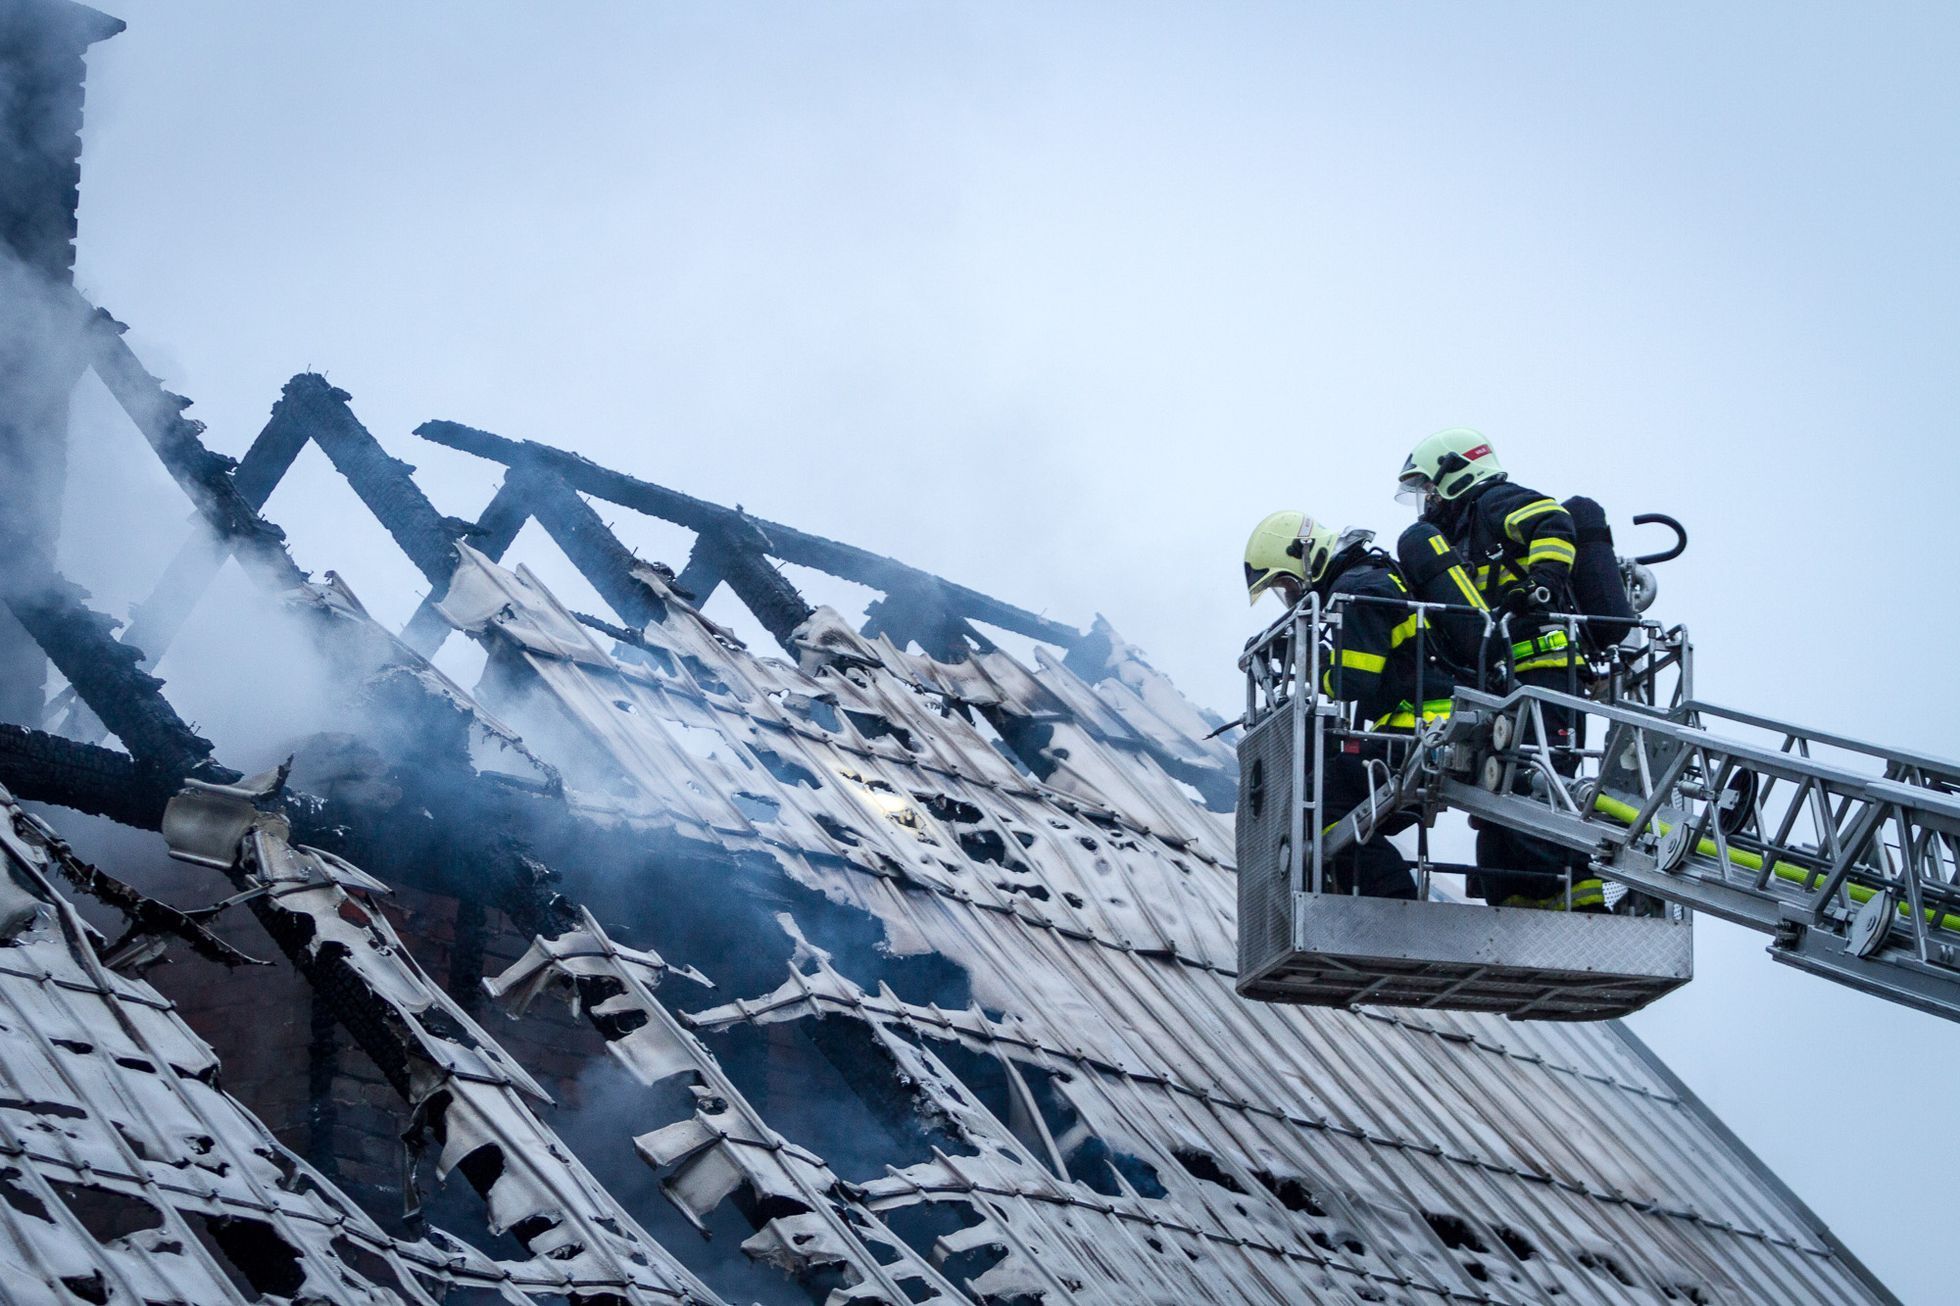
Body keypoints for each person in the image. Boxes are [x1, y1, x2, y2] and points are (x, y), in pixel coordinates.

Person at [1395, 428, 1604, 911]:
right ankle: (1519, 911)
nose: (1426, 500)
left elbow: (1551, 521)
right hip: (1508, 681)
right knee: (1499, 809)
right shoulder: (1461, 531)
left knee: (1539, 792)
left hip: (1546, 673)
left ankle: (1586, 909)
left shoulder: (1493, 501)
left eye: (1428, 486)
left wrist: (1542, 585)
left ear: (1455, 471)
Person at [1244, 509, 1477, 900]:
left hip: (1421, 728)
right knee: (1337, 799)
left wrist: (1304, 662)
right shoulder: (1367, 578)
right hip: (1424, 723)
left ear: (1305, 556)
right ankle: (1383, 895)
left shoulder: (1360, 588)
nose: (1289, 596)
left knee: (1319, 803)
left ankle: (1392, 904)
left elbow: (1352, 679)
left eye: (1286, 582)